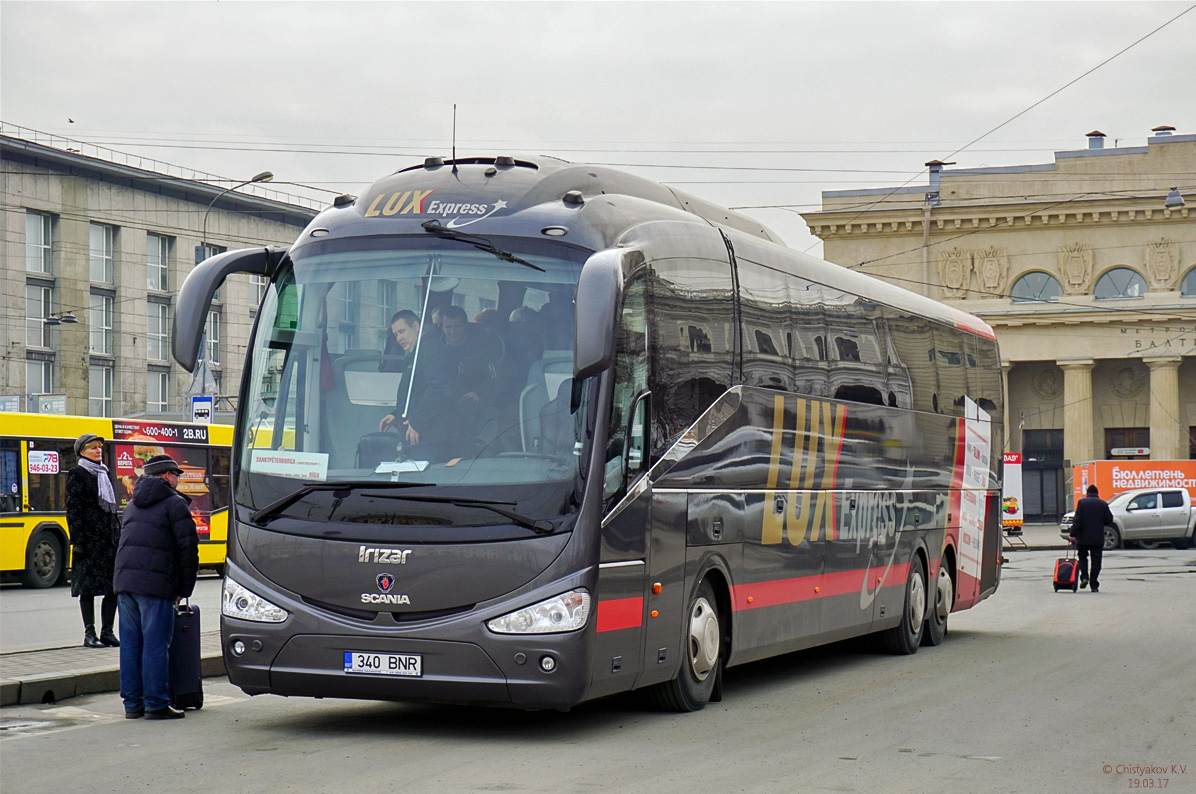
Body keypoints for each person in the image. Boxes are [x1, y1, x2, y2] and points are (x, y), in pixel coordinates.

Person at [114, 454, 199, 720]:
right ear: (166, 476)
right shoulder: (175, 505)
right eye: (176, 474)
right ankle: (156, 704)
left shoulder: (132, 505)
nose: (178, 479)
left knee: (130, 644)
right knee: (155, 644)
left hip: (125, 584)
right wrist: (185, 589)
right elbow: (188, 551)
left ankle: (132, 704)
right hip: (156, 584)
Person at [65, 433, 120, 648]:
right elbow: (73, 510)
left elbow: (111, 510)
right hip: (88, 542)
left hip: (109, 541)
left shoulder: (104, 473)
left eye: (99, 447)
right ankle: (90, 634)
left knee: (112, 588)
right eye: (93, 448)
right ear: (81, 452)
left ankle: (107, 631)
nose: (98, 451)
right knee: (87, 589)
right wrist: (77, 541)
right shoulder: (77, 474)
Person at [378, 310, 454, 460]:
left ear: (416, 326)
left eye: (402, 331)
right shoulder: (417, 351)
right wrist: (396, 415)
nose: (399, 338)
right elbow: (418, 393)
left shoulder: (430, 348)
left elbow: (438, 388)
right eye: (396, 335)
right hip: (421, 436)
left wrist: (418, 422)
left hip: (430, 438)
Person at [1069, 484, 1113, 593]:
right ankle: (1094, 584)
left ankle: (1084, 577)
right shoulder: (1103, 504)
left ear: (1087, 493)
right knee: (1096, 561)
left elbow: (1077, 520)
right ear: (1097, 494)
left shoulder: (1082, 503)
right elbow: (1109, 519)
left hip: (1083, 537)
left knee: (1082, 557)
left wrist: (1073, 534)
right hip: (1097, 538)